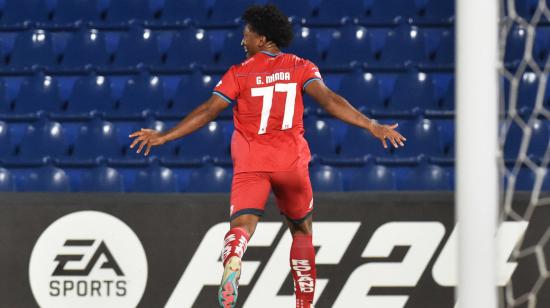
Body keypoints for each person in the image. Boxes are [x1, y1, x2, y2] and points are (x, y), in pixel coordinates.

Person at [129, 4, 406, 308]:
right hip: (291, 163)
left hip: (251, 163)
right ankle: (303, 303)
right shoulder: (301, 67)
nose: (242, 40)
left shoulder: (238, 73)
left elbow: (209, 110)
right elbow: (329, 100)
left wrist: (166, 135)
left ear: (261, 39)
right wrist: (371, 124)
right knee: (301, 230)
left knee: (242, 226)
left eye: (246, 34)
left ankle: (233, 257)